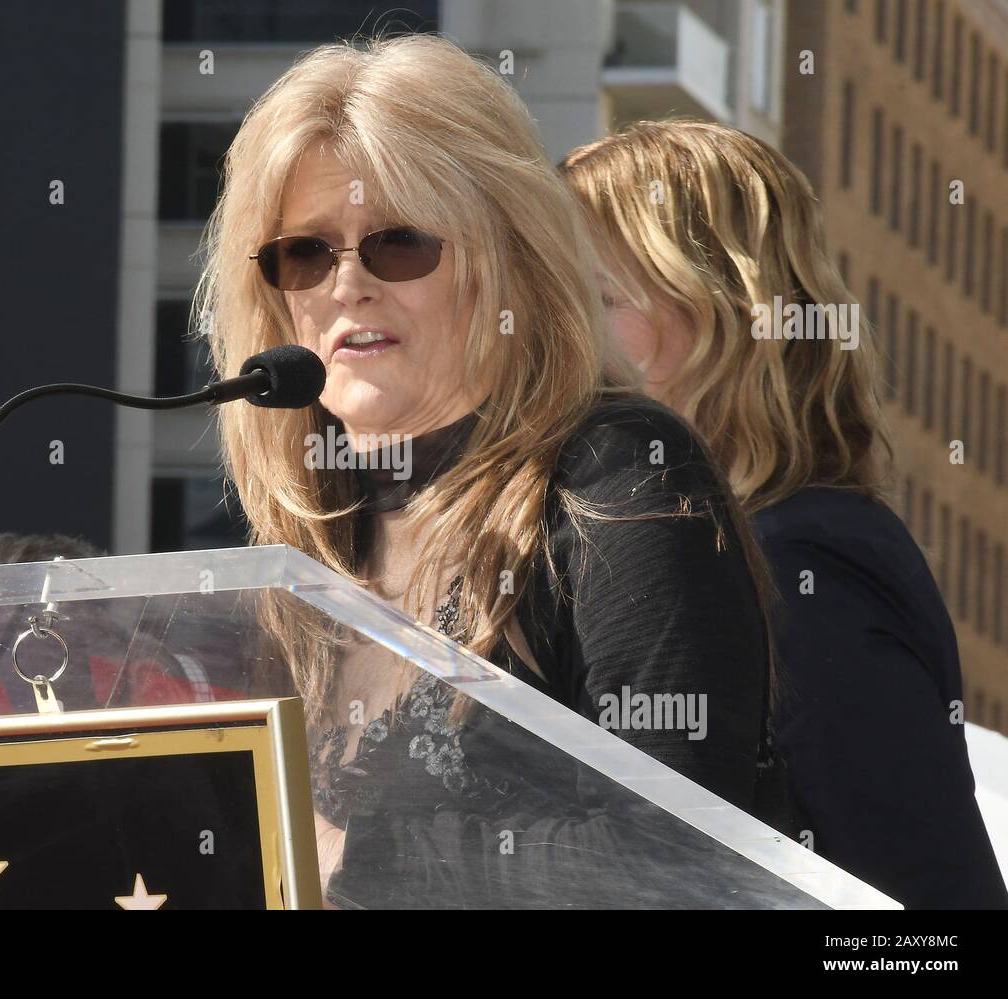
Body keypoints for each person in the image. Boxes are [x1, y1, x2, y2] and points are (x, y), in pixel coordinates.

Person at [196, 35, 787, 907]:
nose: (347, 284)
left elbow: (685, 858)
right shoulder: (297, 558)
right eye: (307, 253)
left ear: (505, 260)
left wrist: (357, 860)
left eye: (398, 243)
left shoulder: (617, 483)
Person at [561, 120, 1008, 909]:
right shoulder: (740, 546)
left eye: (597, 298)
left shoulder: (801, 565)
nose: (558, 341)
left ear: (727, 316)